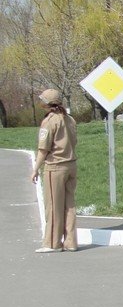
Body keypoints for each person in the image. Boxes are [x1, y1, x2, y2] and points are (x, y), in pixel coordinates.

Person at [30, 88, 78, 253]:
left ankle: (52, 243)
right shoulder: (70, 119)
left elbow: (43, 149)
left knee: (53, 206)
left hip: (55, 166)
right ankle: (71, 242)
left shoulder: (49, 121)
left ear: (46, 103)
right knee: (69, 205)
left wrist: (35, 169)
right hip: (71, 165)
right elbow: (75, 141)